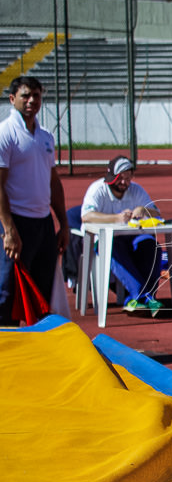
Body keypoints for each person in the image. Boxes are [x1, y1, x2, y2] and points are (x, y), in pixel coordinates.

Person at [0, 76, 69, 325]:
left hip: (43, 223)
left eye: (36, 96)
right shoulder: (5, 133)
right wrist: (9, 229)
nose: (31, 101)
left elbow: (53, 182)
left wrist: (63, 222)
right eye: (25, 95)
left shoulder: (45, 137)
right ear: (12, 99)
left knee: (42, 291)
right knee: (7, 291)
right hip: (16, 222)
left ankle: (38, 349)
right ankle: (5, 350)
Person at [81, 155, 164, 316]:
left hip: (133, 237)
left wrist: (143, 210)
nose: (124, 183)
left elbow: (157, 213)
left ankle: (139, 298)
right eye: (120, 178)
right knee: (113, 249)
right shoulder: (98, 190)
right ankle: (143, 296)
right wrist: (116, 218)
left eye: (128, 178)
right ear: (112, 177)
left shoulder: (136, 190)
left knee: (151, 246)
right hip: (108, 239)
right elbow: (86, 216)